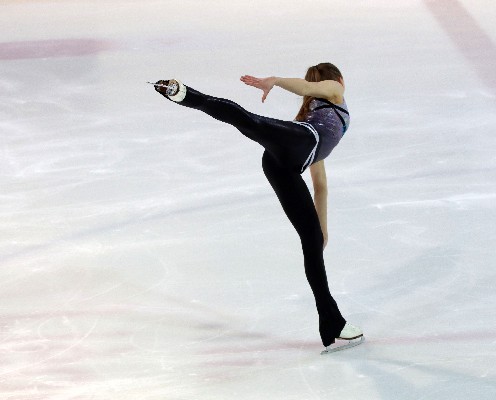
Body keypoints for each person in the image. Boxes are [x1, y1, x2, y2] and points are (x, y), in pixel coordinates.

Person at [152, 62, 363, 351]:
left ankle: (333, 322)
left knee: (311, 242)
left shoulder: (318, 115)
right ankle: (186, 94)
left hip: (282, 165)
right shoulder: (335, 92)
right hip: (295, 146)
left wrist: (322, 230)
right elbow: (306, 88)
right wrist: (274, 81)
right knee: (250, 121)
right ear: (338, 79)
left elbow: (320, 183)